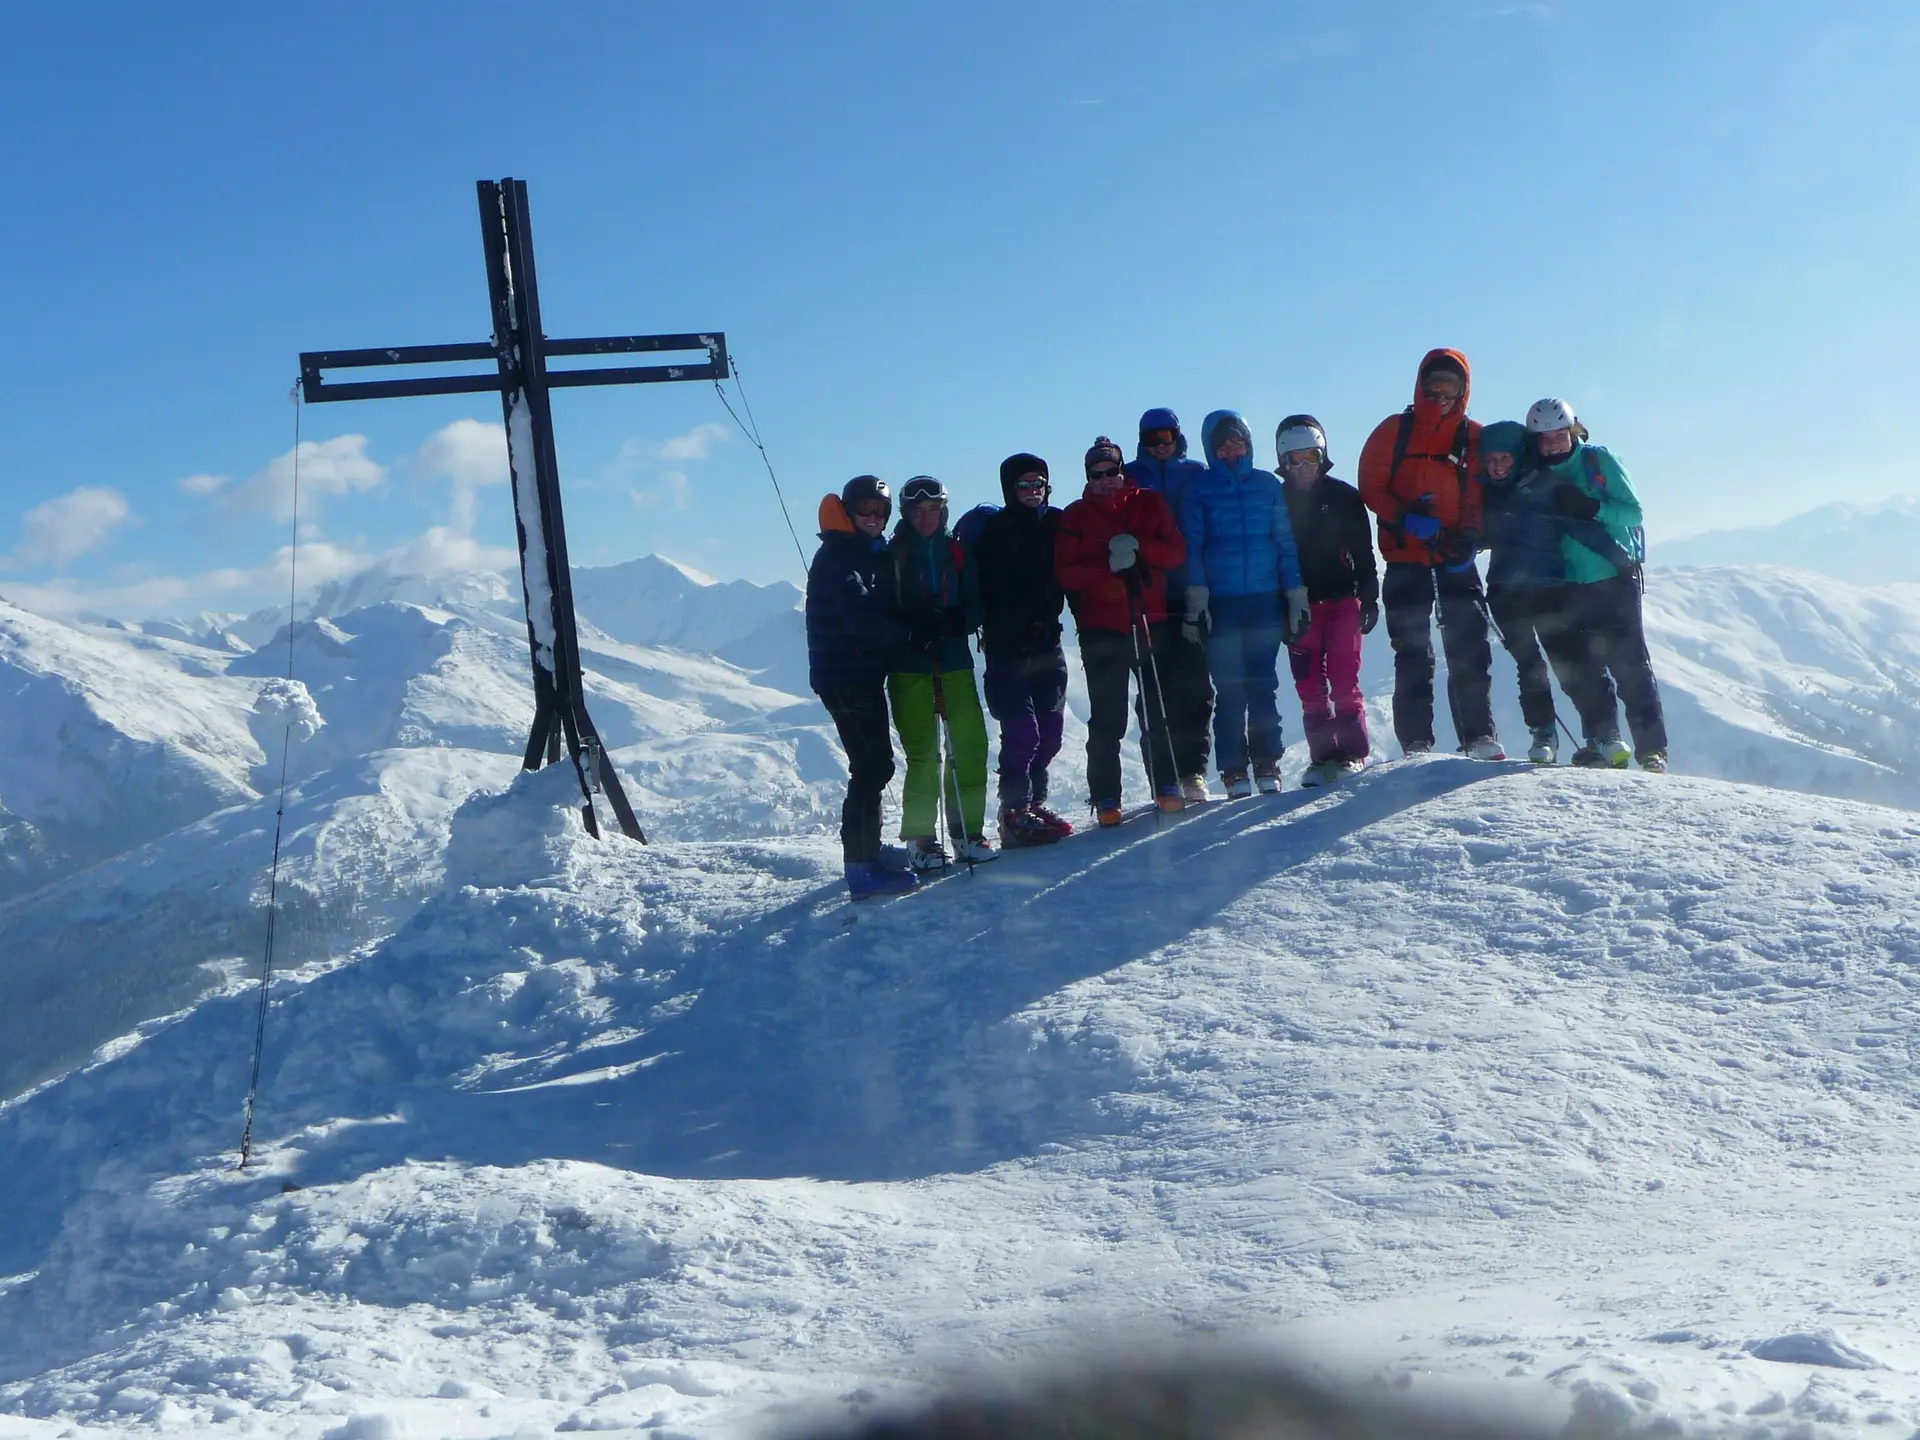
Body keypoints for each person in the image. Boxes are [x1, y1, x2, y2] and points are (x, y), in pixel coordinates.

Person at [1357, 349, 1503, 760]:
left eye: (1450, 386)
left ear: (1463, 390)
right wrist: (1405, 517)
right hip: (1406, 559)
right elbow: (1370, 485)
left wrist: (1470, 535)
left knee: (1469, 647)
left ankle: (1478, 736)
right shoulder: (1394, 431)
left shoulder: (1473, 435)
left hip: (1453, 555)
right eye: (1434, 385)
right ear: (1421, 385)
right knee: (1413, 651)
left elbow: (1476, 493)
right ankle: (1416, 743)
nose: (1440, 394)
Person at [1523, 398, 1667, 771]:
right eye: (1545, 438)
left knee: (1630, 665)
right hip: (1568, 584)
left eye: (1559, 435)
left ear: (1572, 431)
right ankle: (1601, 743)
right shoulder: (1535, 476)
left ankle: (1651, 751)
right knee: (1583, 669)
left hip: (1614, 577)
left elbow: (1633, 511)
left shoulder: (1598, 462)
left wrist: (1592, 508)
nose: (1553, 444)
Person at [1055, 436, 1188, 825]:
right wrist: (1108, 566)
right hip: (1102, 627)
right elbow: (1066, 574)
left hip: (1148, 617)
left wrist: (1140, 548)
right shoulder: (1075, 516)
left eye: (1111, 472)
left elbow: (1176, 552)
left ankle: (1165, 785)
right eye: (1097, 474)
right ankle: (1106, 798)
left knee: (1156, 707)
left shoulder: (1149, 502)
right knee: (1107, 716)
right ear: (1087, 477)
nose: (1105, 480)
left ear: (1121, 471)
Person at [1180, 411, 1308, 797]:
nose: (1230, 448)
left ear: (1249, 442)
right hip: (1222, 603)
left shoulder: (1267, 485)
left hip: (1264, 599)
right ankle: (1234, 769)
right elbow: (1192, 546)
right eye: (1222, 442)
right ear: (1210, 447)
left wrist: (1295, 592)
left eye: (1236, 440)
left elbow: (1284, 542)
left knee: (1263, 685)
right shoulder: (1199, 490)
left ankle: (1267, 763)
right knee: (1230, 689)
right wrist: (1197, 598)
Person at [804, 476, 916, 900]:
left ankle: (868, 850)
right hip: (846, 678)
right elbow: (861, 618)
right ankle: (861, 868)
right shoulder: (839, 556)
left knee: (874, 764)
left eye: (881, 511)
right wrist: (910, 633)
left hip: (856, 675)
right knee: (870, 768)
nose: (874, 518)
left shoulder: (858, 551)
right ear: (849, 512)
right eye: (866, 509)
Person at [887, 475, 996, 868]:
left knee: (969, 747)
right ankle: (920, 839)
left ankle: (968, 832)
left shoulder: (957, 550)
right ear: (907, 514)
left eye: (933, 509)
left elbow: (977, 604)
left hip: (954, 660)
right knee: (924, 754)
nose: (927, 517)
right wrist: (912, 628)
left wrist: (954, 623)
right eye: (919, 511)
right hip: (908, 665)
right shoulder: (893, 554)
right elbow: (881, 609)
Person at [969, 453, 1071, 846]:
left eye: (1038, 484)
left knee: (1050, 732)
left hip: (1048, 642)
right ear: (1009, 489)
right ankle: (1013, 811)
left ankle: (1032, 803)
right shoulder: (994, 532)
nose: (1032, 492)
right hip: (1007, 648)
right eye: (1024, 485)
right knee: (1022, 732)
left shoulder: (1057, 524)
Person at [1275, 416, 1378, 787]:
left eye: (1311, 458)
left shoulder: (1344, 497)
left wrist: (1369, 596)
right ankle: (1322, 757)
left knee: (1344, 677)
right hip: (1298, 604)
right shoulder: (1276, 501)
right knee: (1309, 684)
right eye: (1295, 460)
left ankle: (1352, 753)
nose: (1304, 468)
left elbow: (1363, 551)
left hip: (1342, 600)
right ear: (1282, 462)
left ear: (1323, 456)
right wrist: (1279, 608)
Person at [1125, 408, 1215, 803]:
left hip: (1191, 591)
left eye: (1166, 437)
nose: (1160, 446)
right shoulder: (1127, 476)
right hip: (1147, 596)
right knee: (1154, 691)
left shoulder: (1197, 473)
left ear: (1178, 436)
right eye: (1151, 439)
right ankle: (1163, 778)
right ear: (1141, 441)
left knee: (1196, 685)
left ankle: (1192, 770)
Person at [1478, 420, 1578, 764]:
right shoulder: (1485, 491)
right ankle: (1543, 733)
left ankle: (1599, 732)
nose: (1497, 466)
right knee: (1529, 665)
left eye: (1504, 458)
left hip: (1548, 588)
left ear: (1519, 456)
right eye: (1490, 460)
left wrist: (1617, 560)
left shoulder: (1540, 485)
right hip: (1505, 592)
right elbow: (1483, 532)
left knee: (1568, 662)